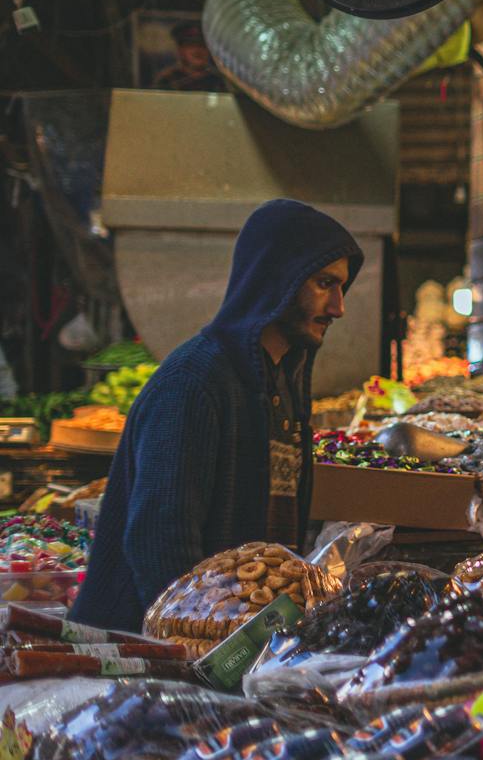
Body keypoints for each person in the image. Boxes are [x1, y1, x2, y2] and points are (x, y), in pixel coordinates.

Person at [72, 199, 364, 632]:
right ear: (277, 279)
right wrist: (203, 647)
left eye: (342, 287)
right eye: (324, 284)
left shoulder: (281, 383)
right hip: (140, 650)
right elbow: (158, 542)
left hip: (229, 641)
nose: (338, 307)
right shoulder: (194, 382)